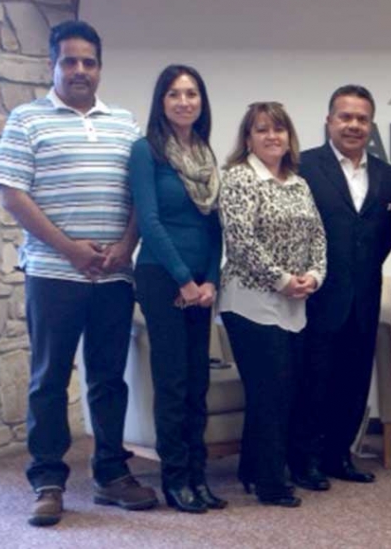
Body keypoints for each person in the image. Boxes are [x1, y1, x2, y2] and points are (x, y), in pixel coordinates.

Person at [0, 20, 158, 527]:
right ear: (53, 65)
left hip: (112, 277)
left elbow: (140, 197)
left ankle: (110, 474)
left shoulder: (125, 124)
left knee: (109, 378)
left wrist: (126, 246)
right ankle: (47, 479)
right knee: (49, 379)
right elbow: (12, 194)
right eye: (69, 61)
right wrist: (70, 249)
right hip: (52, 274)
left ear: (100, 68)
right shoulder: (27, 120)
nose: (79, 70)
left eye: (88, 62)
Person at [292, 85, 391, 490]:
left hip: (365, 295)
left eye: (362, 118)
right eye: (345, 117)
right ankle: (305, 460)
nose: (354, 125)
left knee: (353, 380)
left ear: (371, 125)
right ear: (329, 120)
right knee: (313, 380)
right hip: (317, 296)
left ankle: (340, 455)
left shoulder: (389, 176)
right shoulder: (303, 166)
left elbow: (385, 235)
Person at [218, 102, 327, 508]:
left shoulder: (298, 183)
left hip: (294, 302)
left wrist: (314, 276)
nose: (271, 136)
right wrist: (281, 279)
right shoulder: (239, 178)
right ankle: (269, 481)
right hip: (250, 300)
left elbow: (319, 235)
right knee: (270, 392)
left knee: (284, 390)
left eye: (278, 129)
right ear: (248, 138)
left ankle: (251, 468)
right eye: (261, 130)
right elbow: (241, 241)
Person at [129, 65, 225, 513]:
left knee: (198, 383)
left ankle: (199, 477)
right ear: (161, 102)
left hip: (201, 285)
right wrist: (185, 280)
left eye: (191, 93)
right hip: (162, 277)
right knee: (173, 382)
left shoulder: (206, 154)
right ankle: (175, 480)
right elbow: (149, 221)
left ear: (201, 102)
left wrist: (209, 282)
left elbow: (215, 227)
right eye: (174, 94)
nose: (184, 101)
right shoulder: (146, 152)